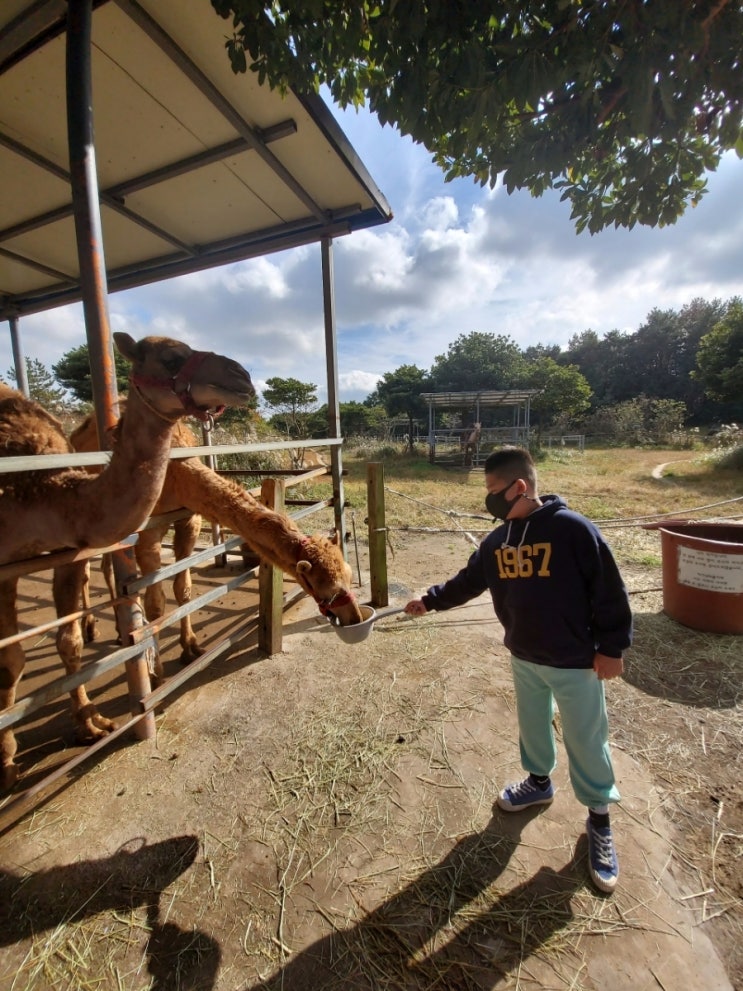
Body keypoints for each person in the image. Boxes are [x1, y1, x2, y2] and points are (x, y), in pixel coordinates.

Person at [404, 446, 632, 893]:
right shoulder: (497, 541)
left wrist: (612, 647)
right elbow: (468, 582)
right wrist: (429, 600)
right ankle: (538, 782)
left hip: (575, 661)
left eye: (493, 491)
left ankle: (599, 819)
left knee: (586, 738)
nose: (488, 500)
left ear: (519, 487)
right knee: (532, 726)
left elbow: (610, 590)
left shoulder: (573, 530)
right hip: (524, 656)